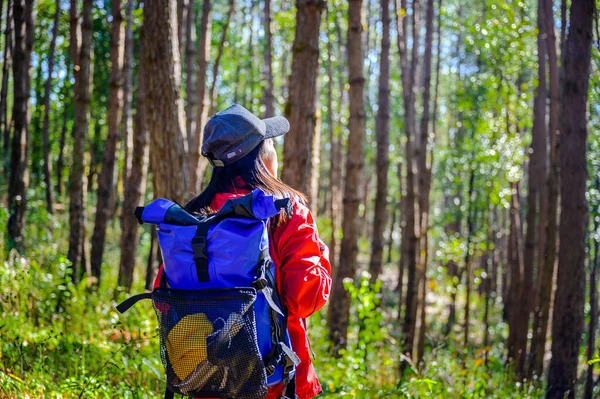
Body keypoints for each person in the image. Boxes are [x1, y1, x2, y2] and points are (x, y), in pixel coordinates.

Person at [161, 104, 332, 399]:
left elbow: (166, 299)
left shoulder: (191, 216)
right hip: (272, 380)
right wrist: (322, 254)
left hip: (205, 377)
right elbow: (305, 297)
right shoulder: (287, 212)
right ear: (261, 158)